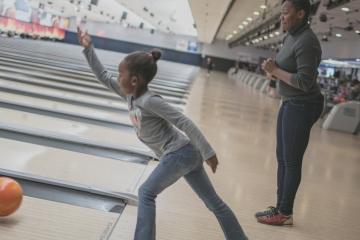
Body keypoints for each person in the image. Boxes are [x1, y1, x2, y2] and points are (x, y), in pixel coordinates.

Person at [77, 27, 248, 240]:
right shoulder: (128, 94)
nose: (117, 77)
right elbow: (103, 76)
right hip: (185, 154)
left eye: (121, 74)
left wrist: (208, 152)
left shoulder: (151, 101)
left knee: (146, 192)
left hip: (180, 153)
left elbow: (183, 121)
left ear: (134, 80)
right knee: (213, 203)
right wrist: (88, 48)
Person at [255, 0, 324, 226]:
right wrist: (272, 72)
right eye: (281, 13)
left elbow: (305, 82)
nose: (282, 17)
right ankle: (279, 207)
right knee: (282, 158)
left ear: (301, 13)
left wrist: (276, 70)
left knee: (291, 161)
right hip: (290, 102)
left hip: (303, 104)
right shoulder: (291, 36)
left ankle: (285, 213)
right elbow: (286, 70)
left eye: (286, 13)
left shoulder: (307, 42)